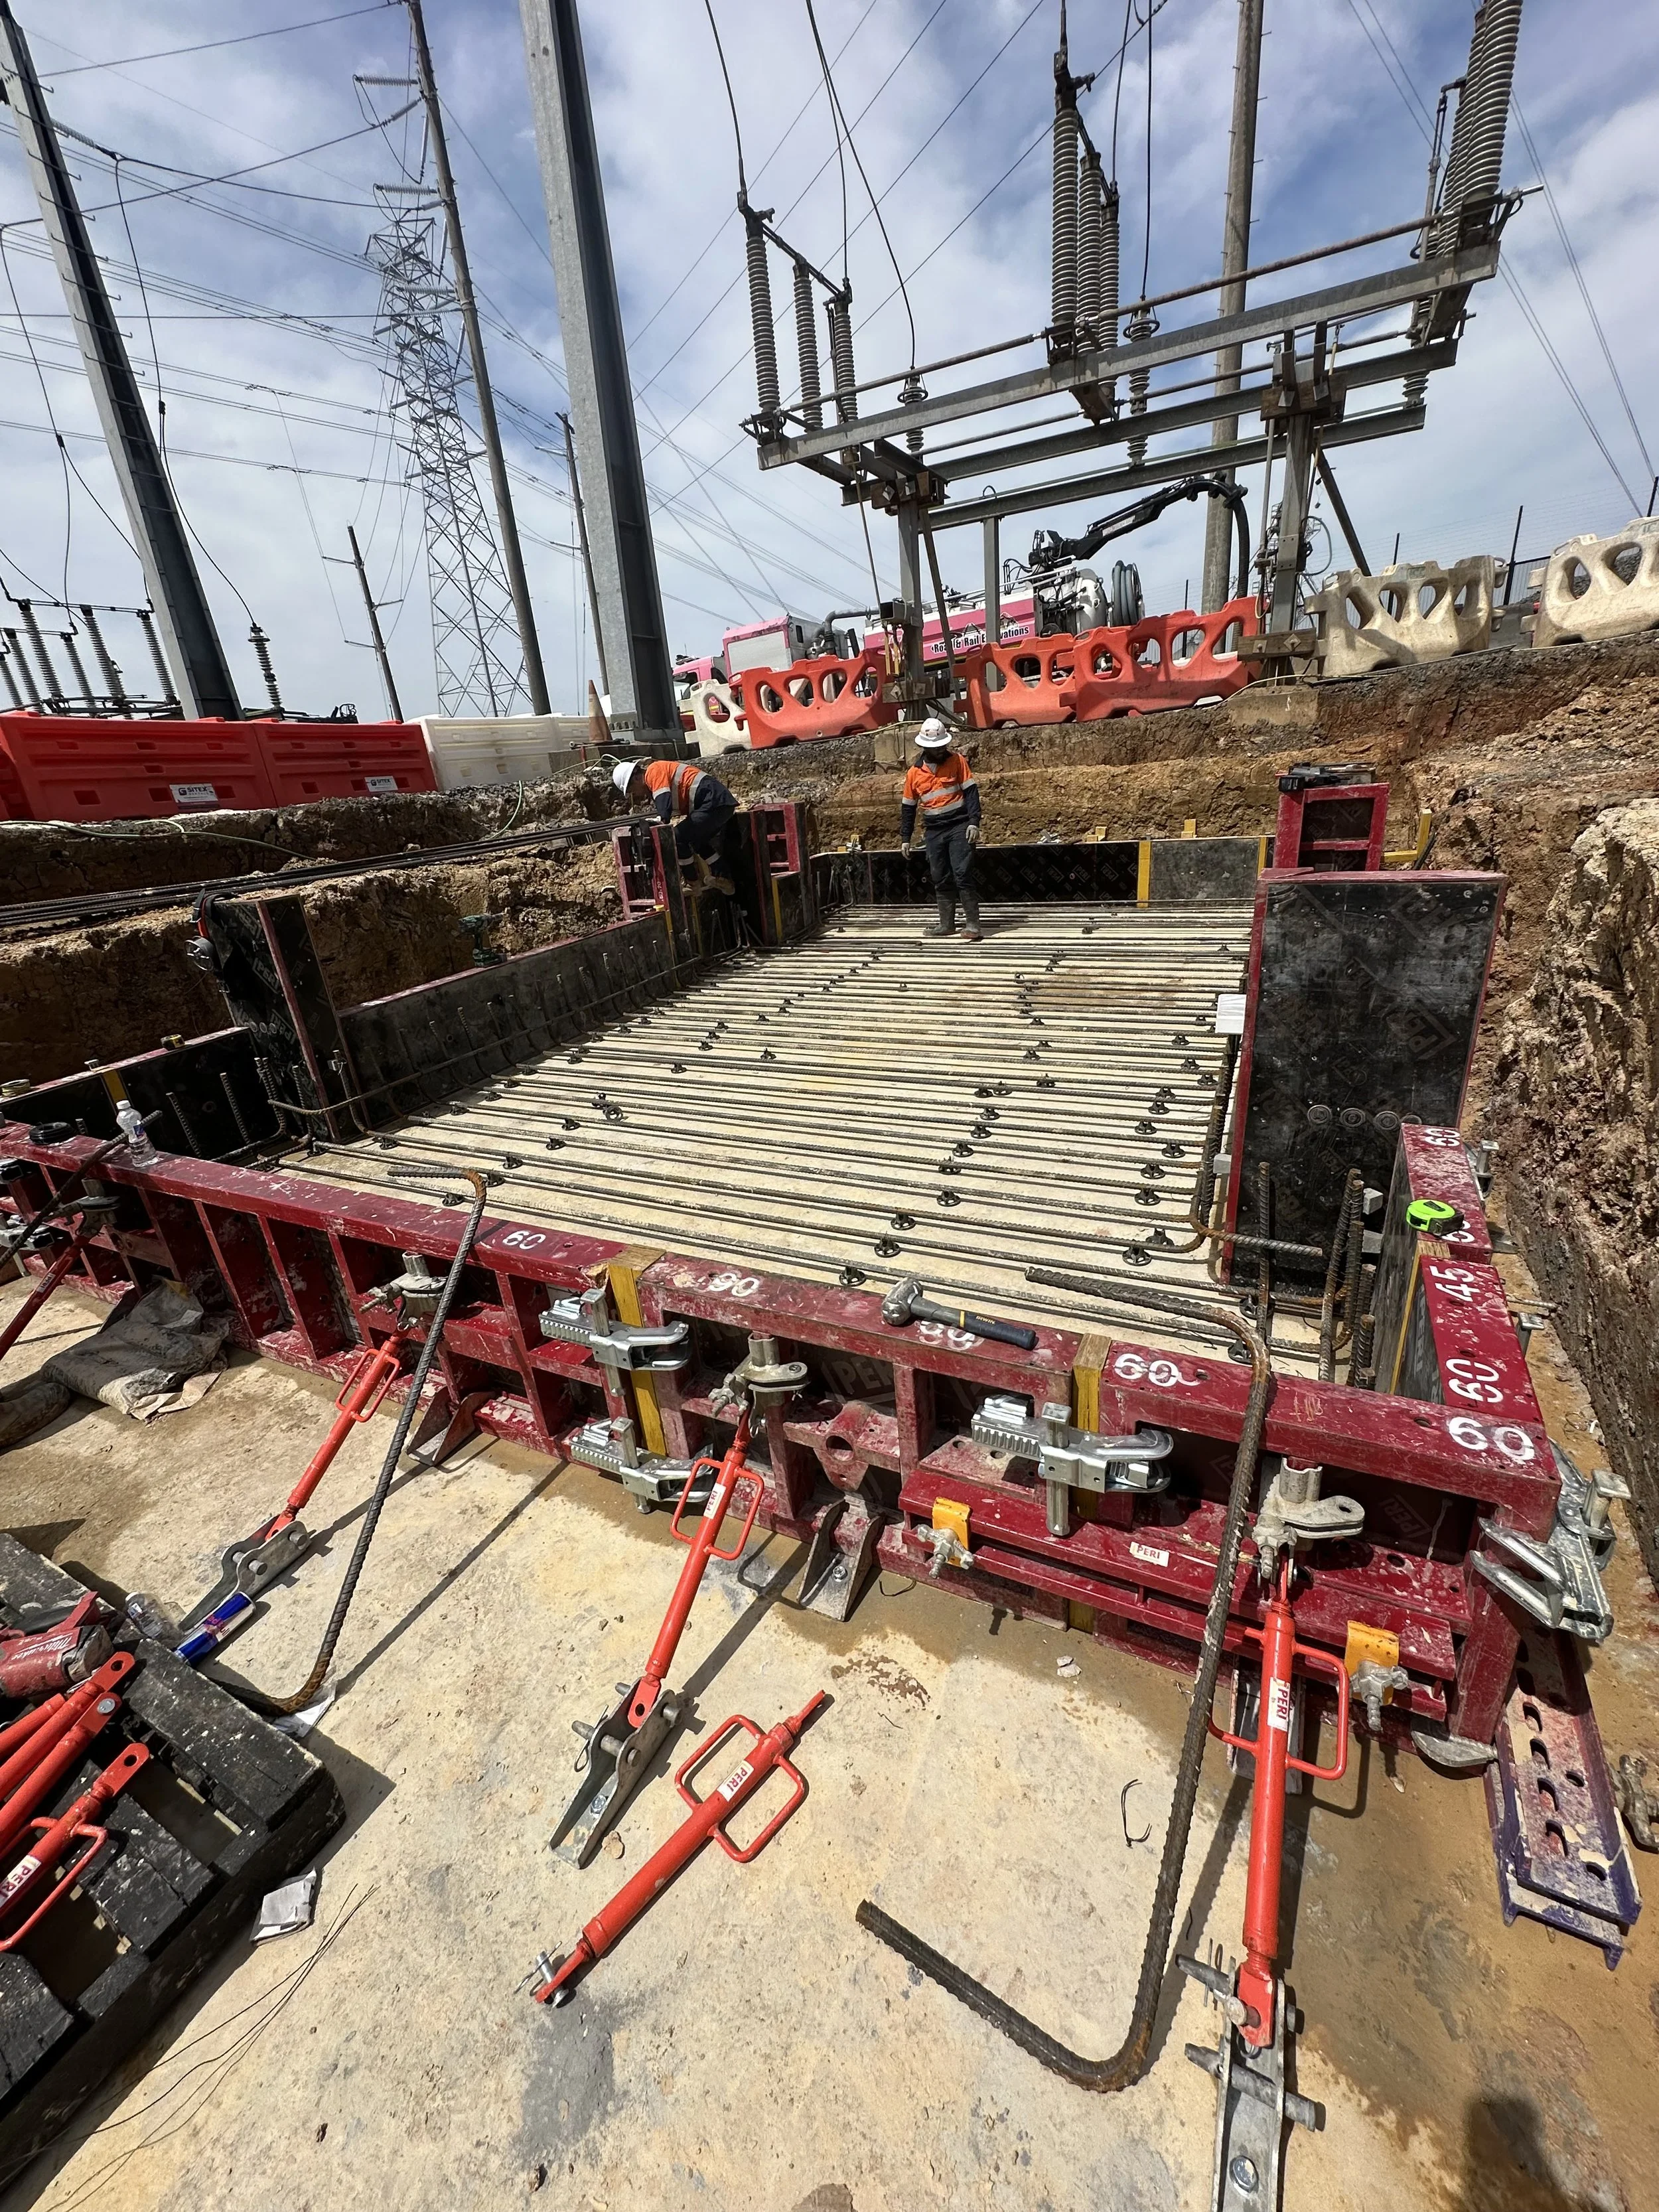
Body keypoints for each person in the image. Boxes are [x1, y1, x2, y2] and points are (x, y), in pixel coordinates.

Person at [899, 717, 981, 941]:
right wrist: (905, 838)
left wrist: (974, 821)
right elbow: (908, 808)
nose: (941, 750)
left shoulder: (957, 761)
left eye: (942, 746)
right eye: (935, 748)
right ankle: (947, 924)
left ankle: (973, 925)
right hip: (934, 831)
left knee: (962, 873)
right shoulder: (914, 774)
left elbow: (971, 793)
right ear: (925, 747)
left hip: (959, 825)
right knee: (940, 876)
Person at [613, 757, 737, 889]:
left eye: (633, 791)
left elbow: (664, 800)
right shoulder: (656, 774)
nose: (636, 795)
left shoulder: (653, 772)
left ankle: (693, 883)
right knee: (697, 841)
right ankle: (724, 878)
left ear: (637, 779)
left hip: (713, 801)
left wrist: (661, 819)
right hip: (717, 802)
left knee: (677, 837)